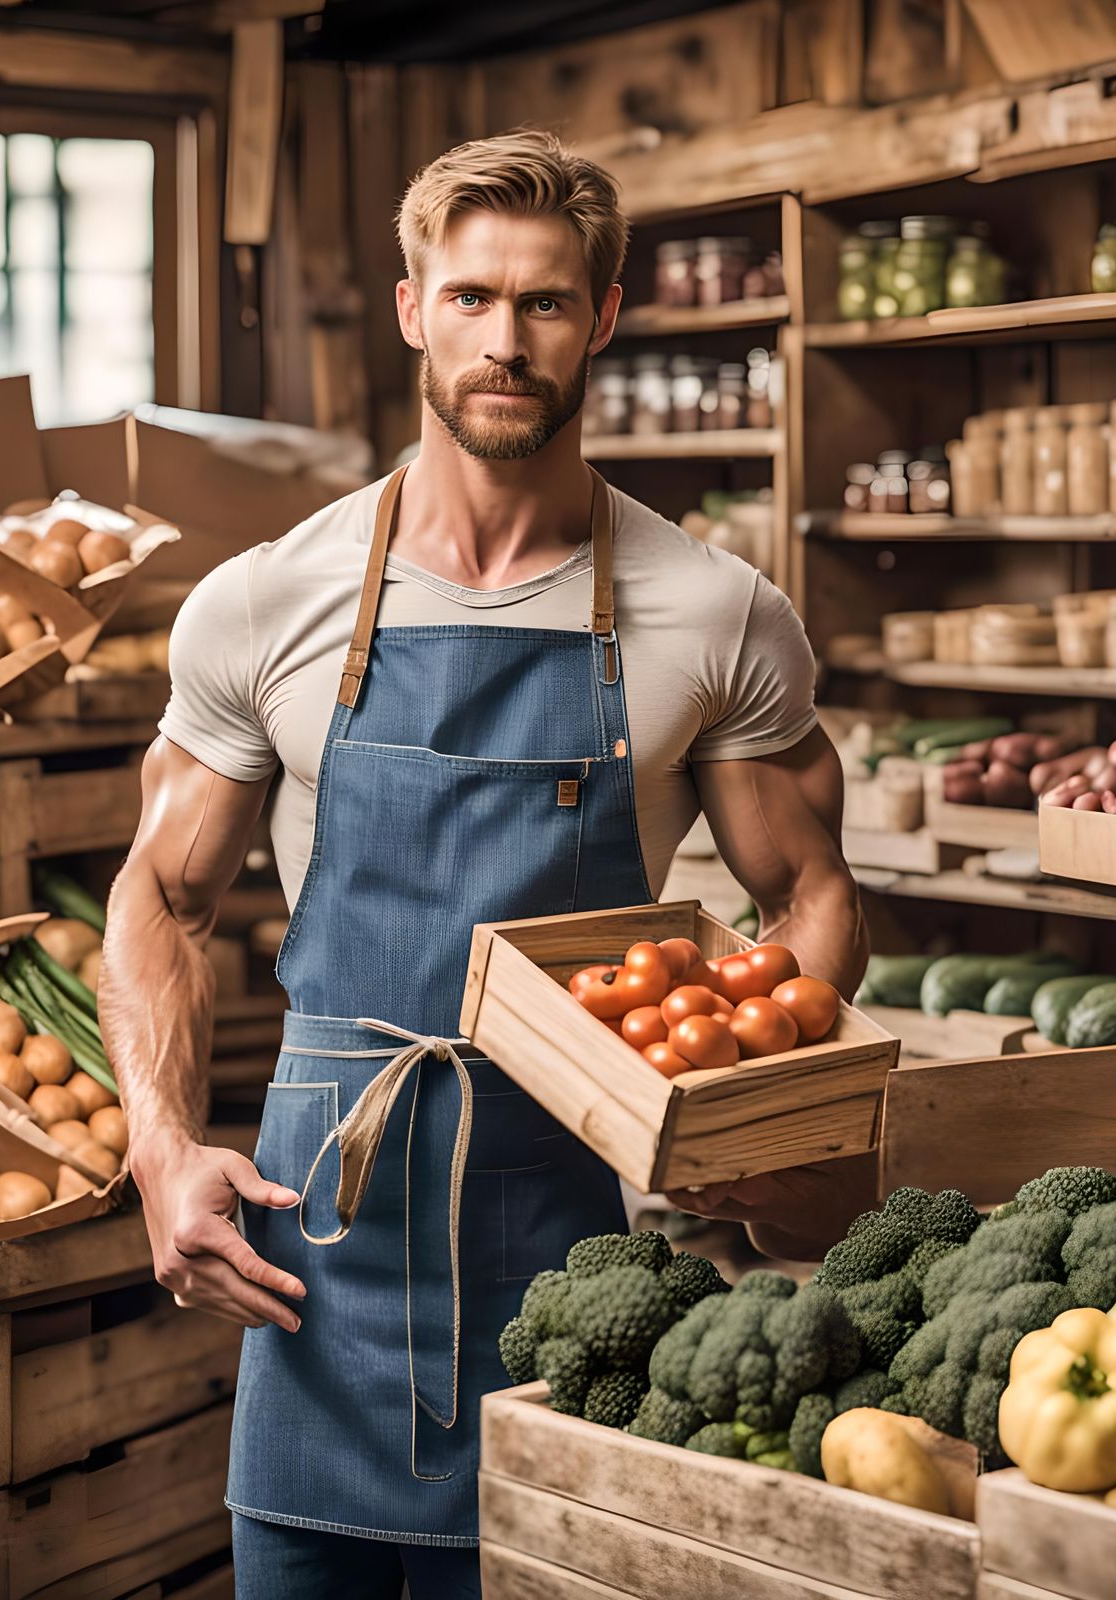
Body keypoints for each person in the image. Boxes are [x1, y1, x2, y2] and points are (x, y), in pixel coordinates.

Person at [102, 127, 867, 1598]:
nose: (504, 343)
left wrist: (761, 1121)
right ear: (412, 310)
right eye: (469, 299)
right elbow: (162, 893)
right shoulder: (266, 602)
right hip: (314, 1252)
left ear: (606, 318)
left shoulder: (713, 612)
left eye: (544, 304)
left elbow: (811, 893)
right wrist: (157, 1145)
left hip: (576, 1244)